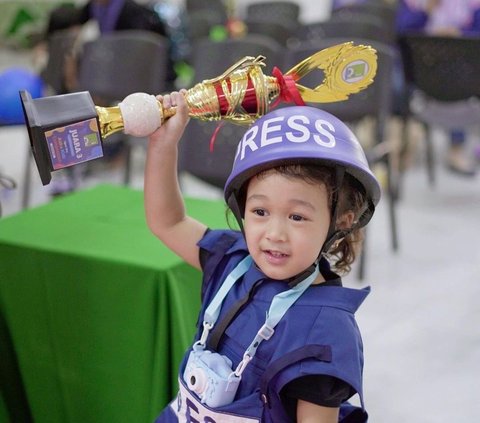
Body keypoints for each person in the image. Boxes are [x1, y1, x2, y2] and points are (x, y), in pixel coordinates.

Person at [144, 91, 380, 422]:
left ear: (341, 219)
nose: (274, 233)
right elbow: (167, 222)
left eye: (297, 216)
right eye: (260, 211)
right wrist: (162, 145)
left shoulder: (327, 331)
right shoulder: (233, 259)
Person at [396, 0, 480, 176]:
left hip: (462, 75)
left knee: (454, 69)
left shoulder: (472, 6)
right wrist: (426, 10)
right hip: (420, 78)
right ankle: (403, 149)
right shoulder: (411, 5)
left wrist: (458, 34)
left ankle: (456, 148)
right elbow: (399, 33)